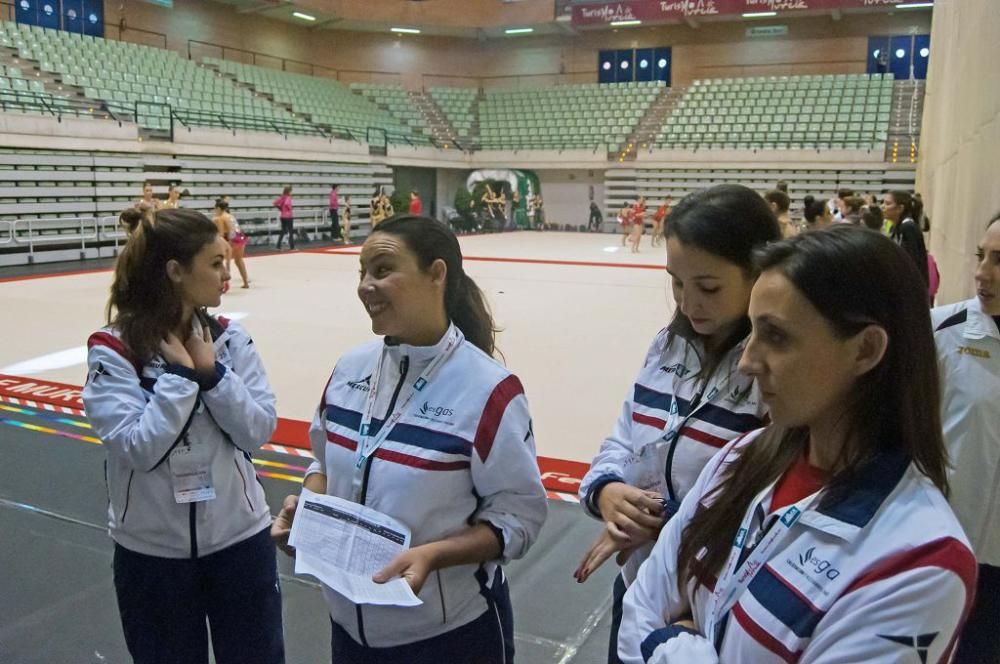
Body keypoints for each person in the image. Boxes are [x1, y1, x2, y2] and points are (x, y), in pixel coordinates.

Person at [618, 226, 977, 664]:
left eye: (776, 336)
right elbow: (638, 608)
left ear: (865, 350)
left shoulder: (920, 564)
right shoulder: (740, 457)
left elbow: (648, 633)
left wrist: (674, 643)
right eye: (751, 331)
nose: (747, 362)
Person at [271, 215, 547, 663]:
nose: (365, 285)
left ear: (436, 274)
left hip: (449, 637)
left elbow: (521, 516)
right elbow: (322, 464)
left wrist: (434, 556)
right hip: (349, 630)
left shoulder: (489, 391)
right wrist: (310, 512)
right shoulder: (349, 369)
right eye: (361, 273)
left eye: (382, 270)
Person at [576, 184, 777, 664]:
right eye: (676, 283)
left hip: (710, 606)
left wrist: (662, 523)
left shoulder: (772, 371)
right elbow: (625, 437)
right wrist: (605, 491)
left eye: (708, 288)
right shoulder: (667, 346)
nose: (688, 304)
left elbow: (768, 503)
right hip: (641, 586)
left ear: (760, 274)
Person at [83, 207, 284, 664]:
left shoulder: (231, 339)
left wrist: (213, 377)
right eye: (215, 263)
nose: (227, 270)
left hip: (240, 543)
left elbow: (258, 431)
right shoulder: (113, 349)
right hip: (152, 556)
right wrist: (179, 377)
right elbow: (137, 447)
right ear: (175, 271)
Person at [933, 212, 1000, 664]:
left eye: (999, 260)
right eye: (981, 256)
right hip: (952, 551)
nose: (981, 272)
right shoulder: (942, 330)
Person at [882, 190, 930, 291]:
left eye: (888, 204)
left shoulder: (908, 227)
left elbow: (912, 260)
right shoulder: (897, 227)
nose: (883, 207)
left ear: (900, 208)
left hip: (912, 287)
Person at [214, 199, 249, 289]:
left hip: (233, 238)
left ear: (218, 208)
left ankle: (225, 283)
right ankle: (245, 282)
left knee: (226, 261)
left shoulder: (221, 217)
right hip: (241, 237)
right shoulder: (230, 216)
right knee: (239, 260)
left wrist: (228, 242)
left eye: (215, 209)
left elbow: (222, 233)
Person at [274, 185, 295, 251]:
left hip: (282, 216)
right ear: (289, 191)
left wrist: (281, 209)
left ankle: (278, 246)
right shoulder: (288, 197)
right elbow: (286, 204)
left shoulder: (282, 197)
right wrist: (289, 209)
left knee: (282, 231)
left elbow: (275, 203)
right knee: (290, 231)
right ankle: (292, 247)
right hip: (289, 216)